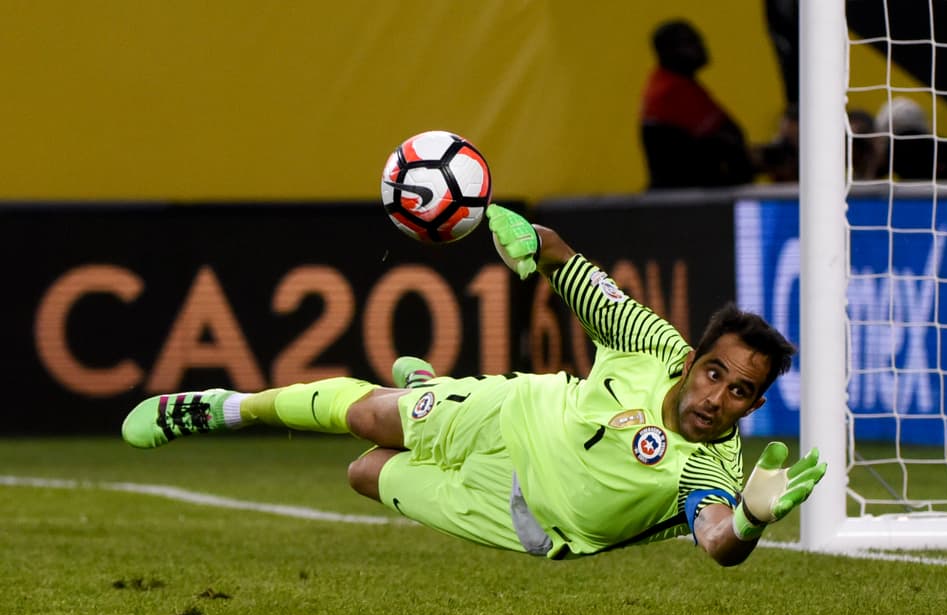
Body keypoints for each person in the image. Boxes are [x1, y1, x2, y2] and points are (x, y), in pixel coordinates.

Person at [121, 206, 826, 566]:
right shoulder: (649, 341)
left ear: (756, 405)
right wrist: (520, 233)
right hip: (516, 412)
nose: (715, 397)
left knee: (364, 473)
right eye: (714, 372)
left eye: (739, 392)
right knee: (369, 415)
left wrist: (750, 520)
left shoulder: (717, 465)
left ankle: (426, 380)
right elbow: (557, 252)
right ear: (693, 356)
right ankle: (221, 407)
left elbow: (715, 541)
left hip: (528, 517)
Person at [640, 19, 756, 189]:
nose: (701, 46)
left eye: (699, 40)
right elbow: (731, 138)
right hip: (689, 197)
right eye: (690, 42)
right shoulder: (674, 90)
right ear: (668, 51)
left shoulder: (666, 82)